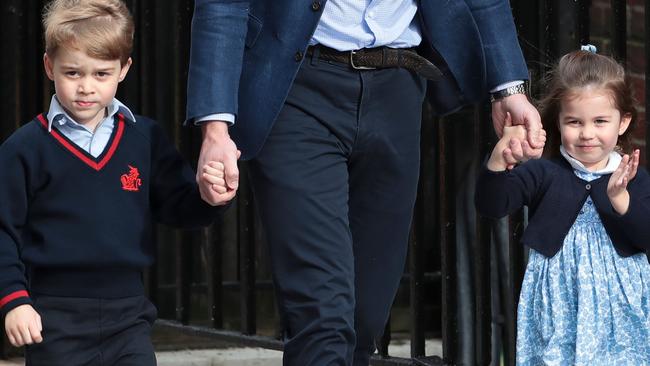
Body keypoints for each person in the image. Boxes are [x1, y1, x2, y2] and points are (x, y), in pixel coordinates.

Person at [187, 1, 544, 364]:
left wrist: (509, 88)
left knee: (364, 315)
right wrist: (215, 128)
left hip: (399, 86)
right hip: (297, 89)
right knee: (322, 316)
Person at [0, 1, 230, 364]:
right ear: (49, 66)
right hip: (55, 320)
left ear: (124, 69)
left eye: (101, 74)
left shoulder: (145, 138)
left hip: (129, 318)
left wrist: (210, 197)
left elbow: (180, 208)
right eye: (73, 73)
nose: (86, 87)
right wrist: (14, 300)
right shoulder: (24, 149)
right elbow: (3, 232)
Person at [475, 49, 650, 365]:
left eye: (600, 121)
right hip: (557, 302)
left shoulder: (632, 179)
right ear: (558, 120)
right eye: (574, 121)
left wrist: (621, 200)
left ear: (623, 122)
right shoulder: (544, 173)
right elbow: (492, 205)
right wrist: (499, 160)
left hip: (619, 307)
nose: (587, 133)